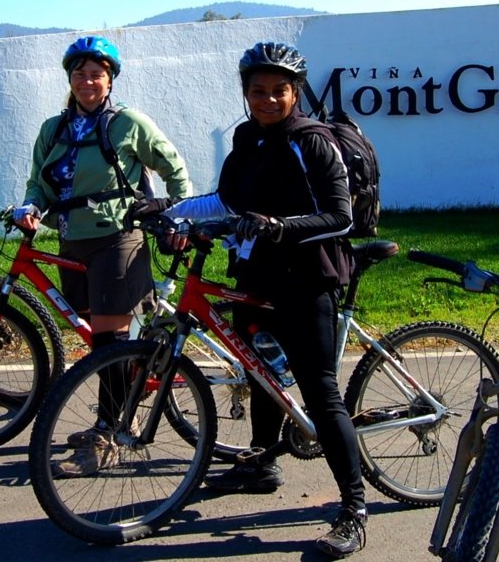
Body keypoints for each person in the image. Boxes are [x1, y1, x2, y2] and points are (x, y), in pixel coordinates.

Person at [143, 42, 367, 559]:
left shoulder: (312, 143)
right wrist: (171, 208)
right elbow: (226, 201)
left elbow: (340, 217)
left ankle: (354, 508)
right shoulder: (247, 139)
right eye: (258, 91)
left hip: (307, 279)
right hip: (255, 277)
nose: (268, 100)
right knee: (260, 369)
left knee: (320, 393)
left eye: (279, 91)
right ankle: (263, 462)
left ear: (295, 93)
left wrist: (279, 227)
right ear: (245, 93)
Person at [13, 35, 191, 476]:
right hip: (71, 239)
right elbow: (38, 181)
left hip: (117, 238)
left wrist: (181, 215)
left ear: (110, 80)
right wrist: (31, 205)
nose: (88, 81)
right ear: (70, 79)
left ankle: (109, 430)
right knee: (95, 336)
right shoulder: (52, 129)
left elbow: (175, 169)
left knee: (108, 339)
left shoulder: (128, 123)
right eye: (80, 74)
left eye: (97, 74)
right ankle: (128, 387)